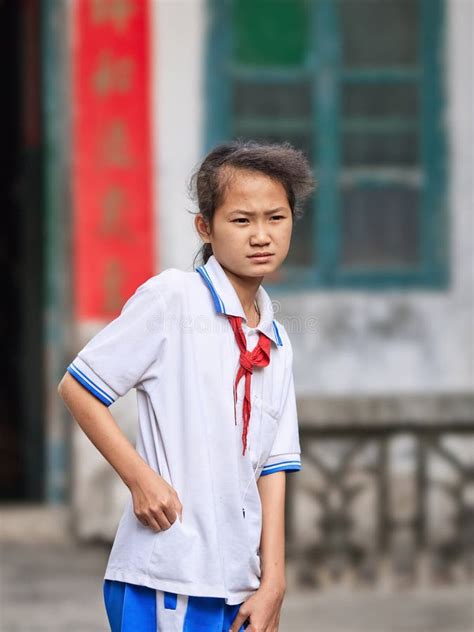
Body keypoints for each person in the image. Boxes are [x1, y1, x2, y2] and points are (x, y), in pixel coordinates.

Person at [58, 139, 316, 631]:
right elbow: (78, 387)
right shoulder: (173, 298)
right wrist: (140, 479)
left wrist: (273, 583)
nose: (261, 235)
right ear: (206, 226)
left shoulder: (276, 340)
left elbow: (273, 468)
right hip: (167, 574)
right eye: (241, 220)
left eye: (275, 218)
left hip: (239, 585)